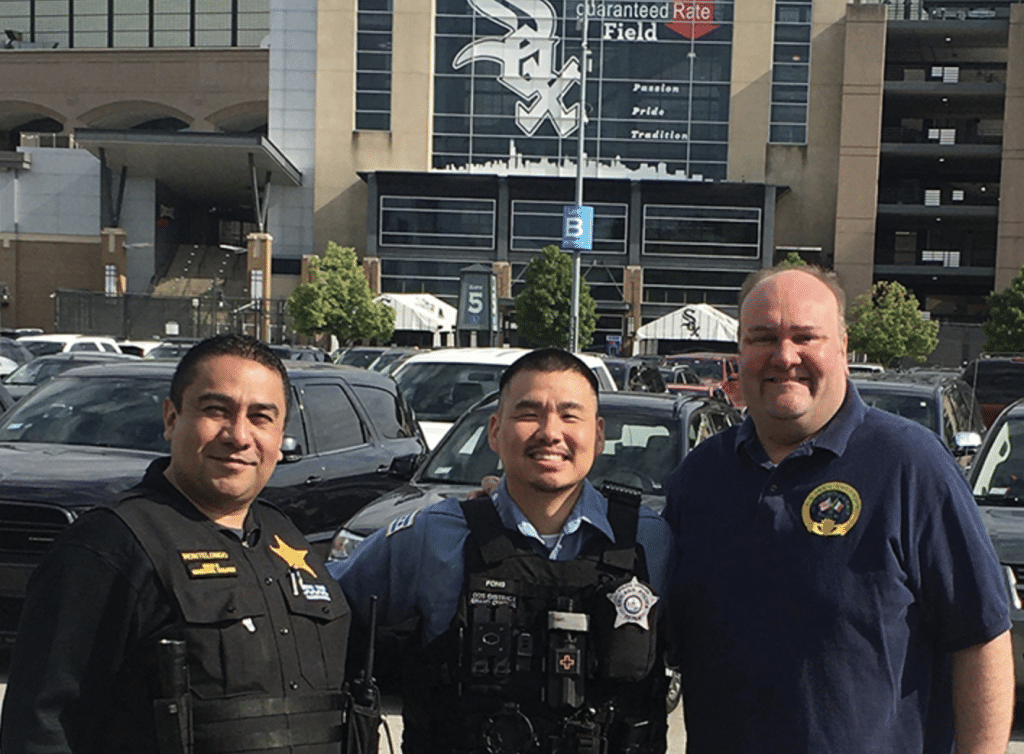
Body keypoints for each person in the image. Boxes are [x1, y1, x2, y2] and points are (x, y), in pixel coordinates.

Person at [663, 264, 1014, 754]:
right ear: (740, 352)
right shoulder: (699, 479)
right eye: (762, 337)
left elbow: (981, 637)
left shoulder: (909, 464)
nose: (785, 356)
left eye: (805, 336)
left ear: (843, 348)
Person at [1, 334, 351, 754]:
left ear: (280, 437)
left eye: (260, 418)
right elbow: (42, 727)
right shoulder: (110, 546)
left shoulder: (285, 539)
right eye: (216, 410)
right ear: (171, 419)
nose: (238, 435)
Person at [330, 347, 673, 754]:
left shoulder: (650, 541)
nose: (550, 432)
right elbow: (321, 610)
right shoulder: (435, 535)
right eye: (528, 414)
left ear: (598, 435)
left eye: (569, 415)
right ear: (494, 431)